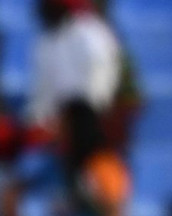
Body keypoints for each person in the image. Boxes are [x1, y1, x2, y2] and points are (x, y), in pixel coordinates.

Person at [24, 99, 131, 216]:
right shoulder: (59, 162)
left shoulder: (104, 165)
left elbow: (116, 215)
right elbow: (19, 189)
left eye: (62, 123)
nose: (56, 129)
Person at [29, 0, 123, 129]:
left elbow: (100, 85)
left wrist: (84, 116)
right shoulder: (45, 41)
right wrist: (37, 120)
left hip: (88, 119)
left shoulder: (92, 34)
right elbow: (43, 92)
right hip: (57, 121)